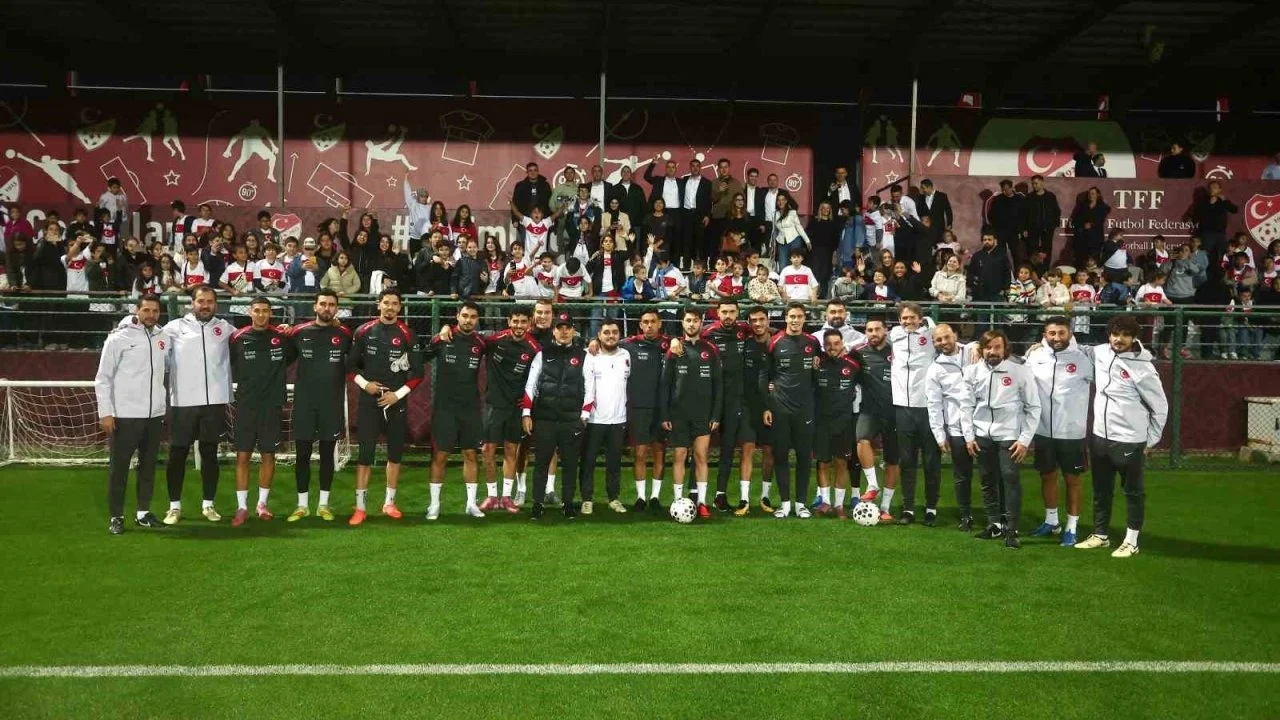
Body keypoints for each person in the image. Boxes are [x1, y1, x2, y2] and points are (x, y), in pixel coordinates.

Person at [1076, 315, 1168, 557]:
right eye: (1115, 334)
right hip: (1099, 437)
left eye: (1125, 335)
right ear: (1109, 335)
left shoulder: (1144, 368)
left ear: (1134, 338)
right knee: (1101, 490)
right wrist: (1039, 346)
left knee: (1133, 493)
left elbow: (1160, 407)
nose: (1119, 339)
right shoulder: (1101, 352)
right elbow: (1079, 349)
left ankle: (1131, 541)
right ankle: (1100, 535)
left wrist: (1149, 440)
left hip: (1129, 440)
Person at [440, 306, 540, 513]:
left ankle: (507, 498)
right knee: (487, 450)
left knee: (512, 450)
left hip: (515, 407)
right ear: (508, 321)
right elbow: (469, 337)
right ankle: (492, 496)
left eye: (523, 322)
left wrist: (528, 403)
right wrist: (446, 327)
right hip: (493, 404)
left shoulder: (534, 348)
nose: (519, 325)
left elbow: (538, 378)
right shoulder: (494, 340)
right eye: (515, 321)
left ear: (529, 323)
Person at [347, 290, 424, 526]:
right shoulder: (363, 331)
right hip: (369, 402)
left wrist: (396, 395)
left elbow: (418, 374)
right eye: (386, 303)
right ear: (378, 304)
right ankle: (360, 507)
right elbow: (350, 368)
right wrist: (366, 385)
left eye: (394, 303)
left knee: (395, 454)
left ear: (400, 307)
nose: (390, 307)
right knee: (365, 455)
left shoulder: (408, 334)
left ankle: (389, 503)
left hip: (396, 403)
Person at [161, 285, 235, 525]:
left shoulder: (226, 329)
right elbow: (151, 341)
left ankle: (208, 504)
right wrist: (125, 324)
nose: (205, 305)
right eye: (201, 301)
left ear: (216, 304)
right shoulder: (173, 328)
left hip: (214, 402)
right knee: (178, 454)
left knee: (210, 454)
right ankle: (174, 507)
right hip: (183, 402)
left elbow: (252, 337)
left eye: (210, 301)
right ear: (192, 303)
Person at [95, 296, 168, 534]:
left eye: (155, 310)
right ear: (136, 310)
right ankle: (116, 517)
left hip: (154, 416)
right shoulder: (118, 338)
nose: (150, 314)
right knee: (119, 469)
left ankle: (143, 513)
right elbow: (103, 378)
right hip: (125, 416)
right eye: (146, 310)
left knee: (148, 467)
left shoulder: (163, 337)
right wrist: (106, 413)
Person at [964, 329, 1041, 549]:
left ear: (1005, 349)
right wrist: (969, 436)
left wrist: (1024, 440)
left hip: (1010, 435)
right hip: (982, 435)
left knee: (1010, 479)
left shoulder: (1019, 371)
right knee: (987, 480)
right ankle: (994, 524)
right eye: (988, 347)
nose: (993, 351)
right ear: (982, 350)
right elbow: (966, 405)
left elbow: (1034, 406)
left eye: (997, 347)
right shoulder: (972, 371)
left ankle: (1012, 530)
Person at [1023, 317, 1094, 547]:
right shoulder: (1034, 356)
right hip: (1043, 429)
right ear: (1044, 334)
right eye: (1052, 333)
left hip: (1071, 432)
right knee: (1047, 475)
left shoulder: (1084, 358)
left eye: (1061, 333)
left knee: (1072, 479)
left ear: (1070, 333)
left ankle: (1071, 527)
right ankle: (1051, 521)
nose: (1057, 338)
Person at [285, 290, 351, 522]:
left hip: (331, 404)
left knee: (327, 455)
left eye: (331, 305)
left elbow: (358, 362)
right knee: (302, 454)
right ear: (315, 307)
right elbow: (283, 358)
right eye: (323, 304)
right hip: (304, 404)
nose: (327, 308)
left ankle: (323, 505)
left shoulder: (344, 334)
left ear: (337, 309)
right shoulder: (299, 332)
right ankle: (302, 505)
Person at [227, 298, 292, 526]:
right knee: (242, 456)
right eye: (257, 311)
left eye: (265, 311)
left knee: (268, 455)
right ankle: (242, 507)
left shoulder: (282, 337)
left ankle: (262, 504)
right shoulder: (237, 338)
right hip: (246, 405)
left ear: (271, 313)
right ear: (250, 313)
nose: (261, 315)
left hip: (271, 406)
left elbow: (292, 355)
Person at [522, 312, 590, 520]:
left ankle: (568, 504)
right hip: (545, 418)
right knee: (541, 463)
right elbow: (531, 385)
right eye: (560, 328)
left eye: (568, 328)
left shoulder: (584, 356)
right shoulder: (542, 354)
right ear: (554, 331)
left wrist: (584, 416)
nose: (564, 331)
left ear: (573, 331)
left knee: (570, 464)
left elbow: (590, 387)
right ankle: (537, 503)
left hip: (571, 420)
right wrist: (526, 413)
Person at [422, 301, 487, 519]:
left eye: (473, 317)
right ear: (457, 316)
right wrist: (442, 331)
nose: (468, 320)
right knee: (440, 455)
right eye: (465, 316)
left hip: (470, 408)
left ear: (477, 320)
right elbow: (421, 357)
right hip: (445, 408)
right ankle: (434, 505)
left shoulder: (481, 342)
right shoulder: (443, 339)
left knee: (471, 454)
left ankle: (471, 504)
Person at [661, 309, 723, 517]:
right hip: (678, 413)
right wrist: (665, 414)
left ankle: (703, 502)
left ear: (701, 323)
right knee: (679, 456)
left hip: (703, 414)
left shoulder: (710, 350)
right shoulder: (675, 349)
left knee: (701, 456)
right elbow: (665, 385)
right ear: (682, 323)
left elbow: (718, 386)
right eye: (688, 320)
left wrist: (715, 415)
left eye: (695, 320)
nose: (692, 324)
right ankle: (678, 501)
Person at [764, 303, 820, 519]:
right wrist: (768, 404)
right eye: (792, 316)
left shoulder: (812, 342)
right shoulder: (775, 341)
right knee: (781, 456)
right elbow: (765, 374)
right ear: (785, 318)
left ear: (804, 319)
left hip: (805, 409)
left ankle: (801, 504)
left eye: (799, 316)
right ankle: (785, 504)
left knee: (805, 457)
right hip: (780, 408)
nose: (795, 320)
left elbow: (817, 371)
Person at [889, 302, 942, 525]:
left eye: (912, 317)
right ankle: (908, 508)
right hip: (902, 408)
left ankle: (931, 508)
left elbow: (951, 341)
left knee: (931, 462)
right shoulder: (894, 335)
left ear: (921, 319)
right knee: (907, 461)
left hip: (927, 408)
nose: (908, 321)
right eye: (904, 318)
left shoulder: (931, 334)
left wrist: (976, 346)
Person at [701, 299, 753, 512]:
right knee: (700, 449)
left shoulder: (744, 330)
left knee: (728, 448)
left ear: (738, 312)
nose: (728, 315)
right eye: (724, 312)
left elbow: (768, 331)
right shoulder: (708, 333)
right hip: (709, 399)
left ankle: (720, 495)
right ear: (718, 313)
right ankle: (695, 495)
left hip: (733, 400)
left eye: (732, 311)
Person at [924, 323, 977, 530]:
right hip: (957, 428)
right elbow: (934, 404)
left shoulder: (973, 351)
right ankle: (966, 515)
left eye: (946, 337)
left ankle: (999, 516)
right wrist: (939, 435)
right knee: (962, 474)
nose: (943, 342)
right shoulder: (935, 369)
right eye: (938, 340)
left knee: (993, 473)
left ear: (955, 335)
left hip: (984, 425)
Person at [619, 310, 670, 513]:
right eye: (646, 322)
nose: (649, 325)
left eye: (653, 322)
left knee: (659, 452)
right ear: (640, 325)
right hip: (638, 407)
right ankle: (641, 497)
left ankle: (655, 497)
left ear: (660, 323)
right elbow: (607, 343)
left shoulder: (670, 344)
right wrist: (595, 342)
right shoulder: (629, 344)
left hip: (662, 408)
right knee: (639, 453)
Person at [579, 319, 631, 514]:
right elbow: (586, 386)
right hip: (593, 419)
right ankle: (587, 499)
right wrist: (585, 413)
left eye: (614, 332)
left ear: (620, 335)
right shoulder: (589, 354)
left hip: (618, 419)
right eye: (606, 332)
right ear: (599, 335)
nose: (611, 336)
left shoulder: (626, 355)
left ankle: (614, 498)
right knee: (588, 461)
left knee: (614, 462)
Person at [813, 329, 862, 519]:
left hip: (844, 422)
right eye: (829, 344)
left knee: (842, 463)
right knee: (823, 463)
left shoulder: (853, 365)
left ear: (842, 344)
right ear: (824, 346)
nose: (832, 347)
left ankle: (839, 505)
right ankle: (825, 502)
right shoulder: (817, 364)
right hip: (821, 422)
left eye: (836, 343)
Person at [1186, 180, 1237, 260]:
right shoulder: (1203, 202)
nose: (1212, 189)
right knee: (1205, 257)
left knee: (1221, 257)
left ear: (1220, 190)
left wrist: (1225, 201)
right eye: (1210, 188)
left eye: (1215, 188)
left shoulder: (1223, 202)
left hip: (1220, 234)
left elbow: (1234, 210)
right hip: (1206, 234)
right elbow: (1195, 215)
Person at [1022, 175, 1061, 260]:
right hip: (1033, 229)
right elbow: (1024, 214)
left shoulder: (1050, 196)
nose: (1034, 186)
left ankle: (1045, 268)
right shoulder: (1029, 197)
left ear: (1042, 183)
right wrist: (1024, 228)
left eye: (1036, 183)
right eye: (1033, 184)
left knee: (1047, 251)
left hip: (1047, 229)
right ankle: (1034, 268)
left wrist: (1054, 224)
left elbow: (1057, 211)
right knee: (1033, 251)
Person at [1070, 187, 1109, 269]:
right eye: (1089, 194)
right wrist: (1083, 225)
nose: (1091, 195)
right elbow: (1075, 220)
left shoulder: (1103, 207)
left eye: (1093, 193)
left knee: (1094, 261)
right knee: (1080, 262)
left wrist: (1091, 225)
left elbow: (1100, 220)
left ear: (1098, 195)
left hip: (1095, 239)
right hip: (1082, 239)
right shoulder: (1082, 206)